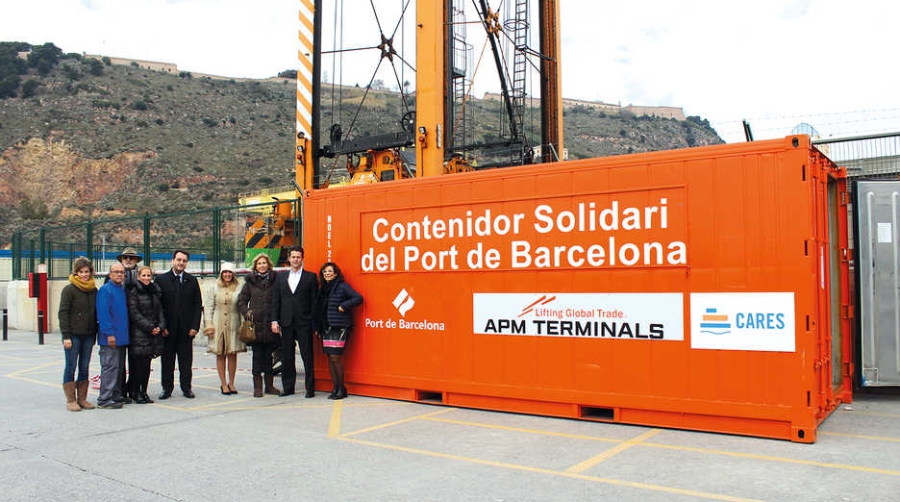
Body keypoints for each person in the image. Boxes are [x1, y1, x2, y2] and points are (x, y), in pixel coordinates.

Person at [271, 246, 318, 397]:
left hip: (304, 322)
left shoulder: (310, 277)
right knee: (287, 356)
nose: (296, 259)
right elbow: (276, 301)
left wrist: (313, 321)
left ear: (302, 258)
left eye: (298, 257)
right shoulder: (280, 277)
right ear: (289, 259)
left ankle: (310, 389)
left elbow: (314, 302)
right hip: (286, 322)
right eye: (293, 257)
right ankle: (288, 387)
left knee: (307, 355)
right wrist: (274, 320)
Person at [157, 250, 203, 399]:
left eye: (184, 260)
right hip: (168, 331)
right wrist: (162, 327)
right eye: (178, 260)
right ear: (173, 260)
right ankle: (167, 389)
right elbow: (158, 306)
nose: (181, 263)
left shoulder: (192, 280)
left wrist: (195, 327)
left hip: (186, 331)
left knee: (186, 362)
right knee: (167, 362)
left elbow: (197, 305)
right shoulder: (161, 280)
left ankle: (186, 388)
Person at [314, 262, 363, 400]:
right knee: (330, 358)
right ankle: (336, 388)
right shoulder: (323, 289)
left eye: (330, 271)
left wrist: (344, 305)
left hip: (340, 326)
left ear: (336, 273)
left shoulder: (342, 286)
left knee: (336, 358)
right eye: (324, 272)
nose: (327, 274)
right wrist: (318, 327)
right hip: (327, 327)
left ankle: (341, 388)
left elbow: (358, 298)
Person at [238, 253, 281, 398]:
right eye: (259, 263)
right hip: (255, 327)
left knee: (269, 358)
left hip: (271, 325)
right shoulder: (250, 282)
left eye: (264, 263)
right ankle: (257, 387)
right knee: (256, 358)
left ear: (269, 265)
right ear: (255, 266)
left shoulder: (276, 281)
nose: (262, 265)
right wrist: (248, 313)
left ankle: (269, 386)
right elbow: (241, 301)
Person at [58, 257, 98, 411]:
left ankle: (82, 398)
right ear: (76, 272)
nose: (84, 275)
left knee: (84, 366)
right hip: (73, 335)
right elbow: (63, 313)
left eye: (86, 272)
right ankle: (71, 400)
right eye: (81, 272)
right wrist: (66, 336)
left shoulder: (94, 290)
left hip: (88, 335)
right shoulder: (69, 289)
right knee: (71, 365)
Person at [203, 262, 246, 395]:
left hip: (234, 324)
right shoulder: (214, 287)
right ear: (221, 273)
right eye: (225, 272)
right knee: (220, 354)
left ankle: (231, 383)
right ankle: (223, 384)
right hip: (218, 324)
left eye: (230, 272)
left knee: (232, 354)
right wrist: (209, 325)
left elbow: (242, 306)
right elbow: (208, 307)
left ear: (233, 274)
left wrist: (243, 325)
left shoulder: (240, 287)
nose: (227, 274)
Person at [127, 265, 166, 404]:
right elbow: (135, 314)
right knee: (137, 366)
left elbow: (160, 311)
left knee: (146, 366)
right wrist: (149, 327)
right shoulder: (133, 292)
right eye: (143, 275)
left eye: (149, 275)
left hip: (152, 335)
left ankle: (144, 391)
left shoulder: (154, 291)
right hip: (139, 334)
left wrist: (160, 326)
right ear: (138, 276)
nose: (146, 278)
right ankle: (135, 392)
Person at [108, 247, 141, 400]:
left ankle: (133, 390)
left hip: (136, 326)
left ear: (136, 261)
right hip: (119, 327)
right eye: (125, 258)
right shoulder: (110, 281)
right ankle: (119, 391)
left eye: (131, 258)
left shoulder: (142, 278)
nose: (128, 260)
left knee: (136, 361)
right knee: (118, 363)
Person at [96, 262, 130, 409]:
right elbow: (103, 314)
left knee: (118, 368)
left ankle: (115, 395)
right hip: (110, 338)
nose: (119, 274)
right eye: (116, 272)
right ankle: (104, 399)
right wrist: (109, 334)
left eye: (122, 272)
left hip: (122, 337)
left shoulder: (121, 290)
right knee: (109, 368)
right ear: (110, 274)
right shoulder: (105, 290)